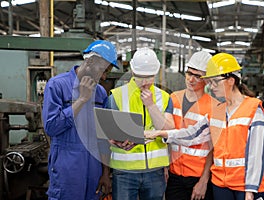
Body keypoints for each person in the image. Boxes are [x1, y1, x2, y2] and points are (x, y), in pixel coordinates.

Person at [145, 53, 264, 200]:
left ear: (230, 80)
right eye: (210, 82)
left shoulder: (253, 110)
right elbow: (192, 135)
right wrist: (161, 134)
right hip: (221, 185)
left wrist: (251, 190)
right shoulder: (217, 110)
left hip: (245, 187)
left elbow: (257, 154)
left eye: (215, 82)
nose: (211, 87)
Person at [42, 40, 118, 200]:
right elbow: (51, 127)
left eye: (107, 72)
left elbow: (103, 137)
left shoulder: (101, 93)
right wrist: (82, 99)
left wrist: (105, 173)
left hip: (94, 169)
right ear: (89, 61)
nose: (104, 76)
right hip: (67, 168)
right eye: (103, 70)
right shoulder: (57, 86)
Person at [106, 47, 175, 200]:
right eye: (140, 77)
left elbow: (169, 131)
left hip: (155, 171)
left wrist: (151, 105)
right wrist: (115, 141)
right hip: (124, 171)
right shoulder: (116, 96)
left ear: (155, 73)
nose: (144, 82)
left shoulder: (164, 97)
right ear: (132, 71)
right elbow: (108, 133)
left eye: (149, 77)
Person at [165, 51, 214, 200]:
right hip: (174, 177)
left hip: (198, 178)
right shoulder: (174, 98)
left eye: (197, 76)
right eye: (189, 73)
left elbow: (213, 148)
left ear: (207, 79)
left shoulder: (213, 106)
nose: (191, 79)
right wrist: (165, 166)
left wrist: (204, 181)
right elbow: (168, 134)